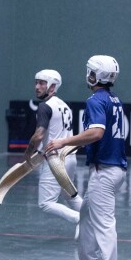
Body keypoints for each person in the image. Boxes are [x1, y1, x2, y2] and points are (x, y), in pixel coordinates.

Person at [46, 56, 126, 260]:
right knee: (86, 218)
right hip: (112, 169)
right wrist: (71, 146)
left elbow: (96, 133)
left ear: (96, 76)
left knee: (104, 224)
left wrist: (63, 141)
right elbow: (100, 137)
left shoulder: (95, 100)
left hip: (105, 172)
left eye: (91, 72)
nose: (88, 75)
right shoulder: (114, 99)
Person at [25, 69, 83, 231]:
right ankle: (94, 218)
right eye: (36, 83)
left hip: (55, 161)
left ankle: (80, 219)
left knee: (46, 203)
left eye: (42, 83)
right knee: (69, 196)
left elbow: (39, 135)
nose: (37, 87)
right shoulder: (65, 106)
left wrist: (28, 153)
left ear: (52, 86)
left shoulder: (45, 106)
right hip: (70, 159)